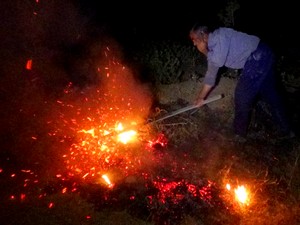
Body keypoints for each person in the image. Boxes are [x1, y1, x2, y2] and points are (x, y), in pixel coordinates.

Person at [189, 24, 294, 140]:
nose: (194, 43)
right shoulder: (218, 39)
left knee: (242, 96)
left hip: (257, 58)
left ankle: (239, 135)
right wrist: (204, 49)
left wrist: (200, 98)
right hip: (264, 54)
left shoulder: (219, 40)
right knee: (270, 94)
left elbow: (211, 74)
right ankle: (287, 130)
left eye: (195, 40)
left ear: (203, 36)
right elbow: (214, 60)